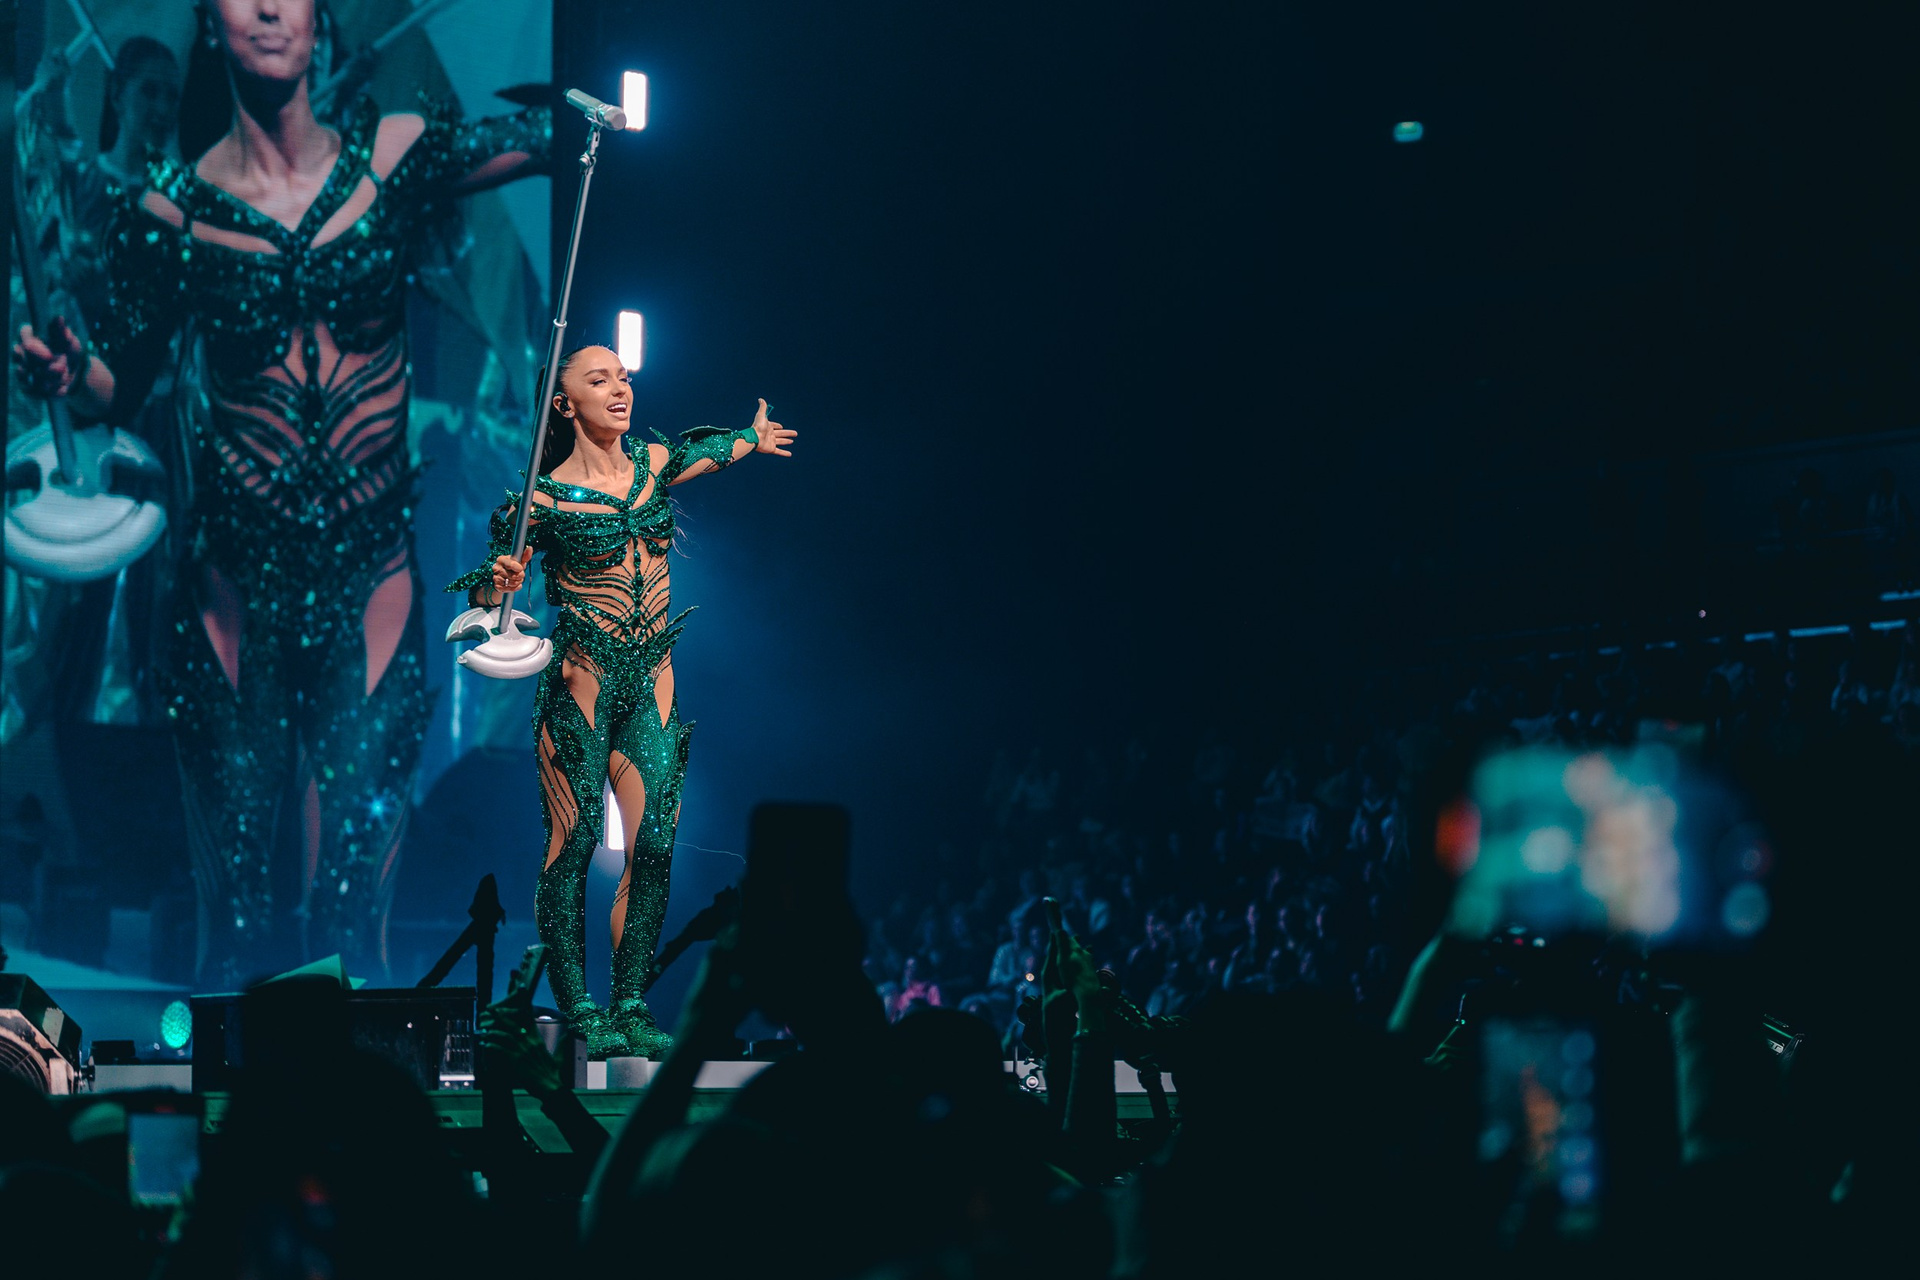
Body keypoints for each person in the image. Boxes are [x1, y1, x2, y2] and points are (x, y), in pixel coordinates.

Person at [11, 0, 552, 982]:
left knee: (352, 926)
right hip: (233, 596)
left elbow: (537, 142)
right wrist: (69, 372)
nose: (268, 8)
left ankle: (360, 1082)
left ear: (318, 19)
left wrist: (593, 118)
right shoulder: (170, 215)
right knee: (237, 932)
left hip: (370, 583)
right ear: (211, 21)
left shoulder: (393, 159)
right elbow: (117, 384)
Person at [449, 346, 796, 1056]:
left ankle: (630, 1002)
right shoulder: (540, 500)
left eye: (624, 378)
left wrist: (750, 437)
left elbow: (707, 452)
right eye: (598, 379)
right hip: (580, 689)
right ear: (564, 403)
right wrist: (498, 580)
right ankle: (579, 1008)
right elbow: (485, 585)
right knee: (574, 843)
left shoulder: (651, 467)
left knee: (657, 846)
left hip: (652, 687)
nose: (619, 389)